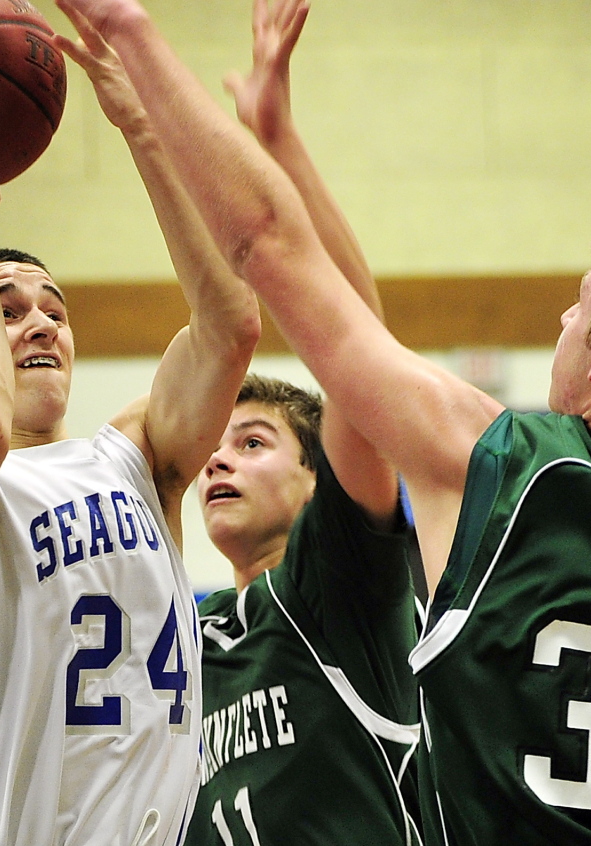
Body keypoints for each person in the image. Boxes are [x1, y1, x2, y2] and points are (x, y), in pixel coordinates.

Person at [56, 1, 591, 843]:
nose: (560, 323)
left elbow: (271, 249)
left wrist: (132, 31)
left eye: (578, 310)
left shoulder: (507, 471)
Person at [0, 22, 261, 845]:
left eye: (54, 310)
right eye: (7, 310)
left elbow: (232, 324)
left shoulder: (140, 458)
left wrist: (142, 128)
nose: (41, 323)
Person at [179, 5, 421, 842]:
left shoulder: (337, 579)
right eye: (215, 449)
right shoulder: (192, 632)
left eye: (251, 444)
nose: (218, 464)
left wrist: (277, 145)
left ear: (322, 478)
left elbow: (360, 344)